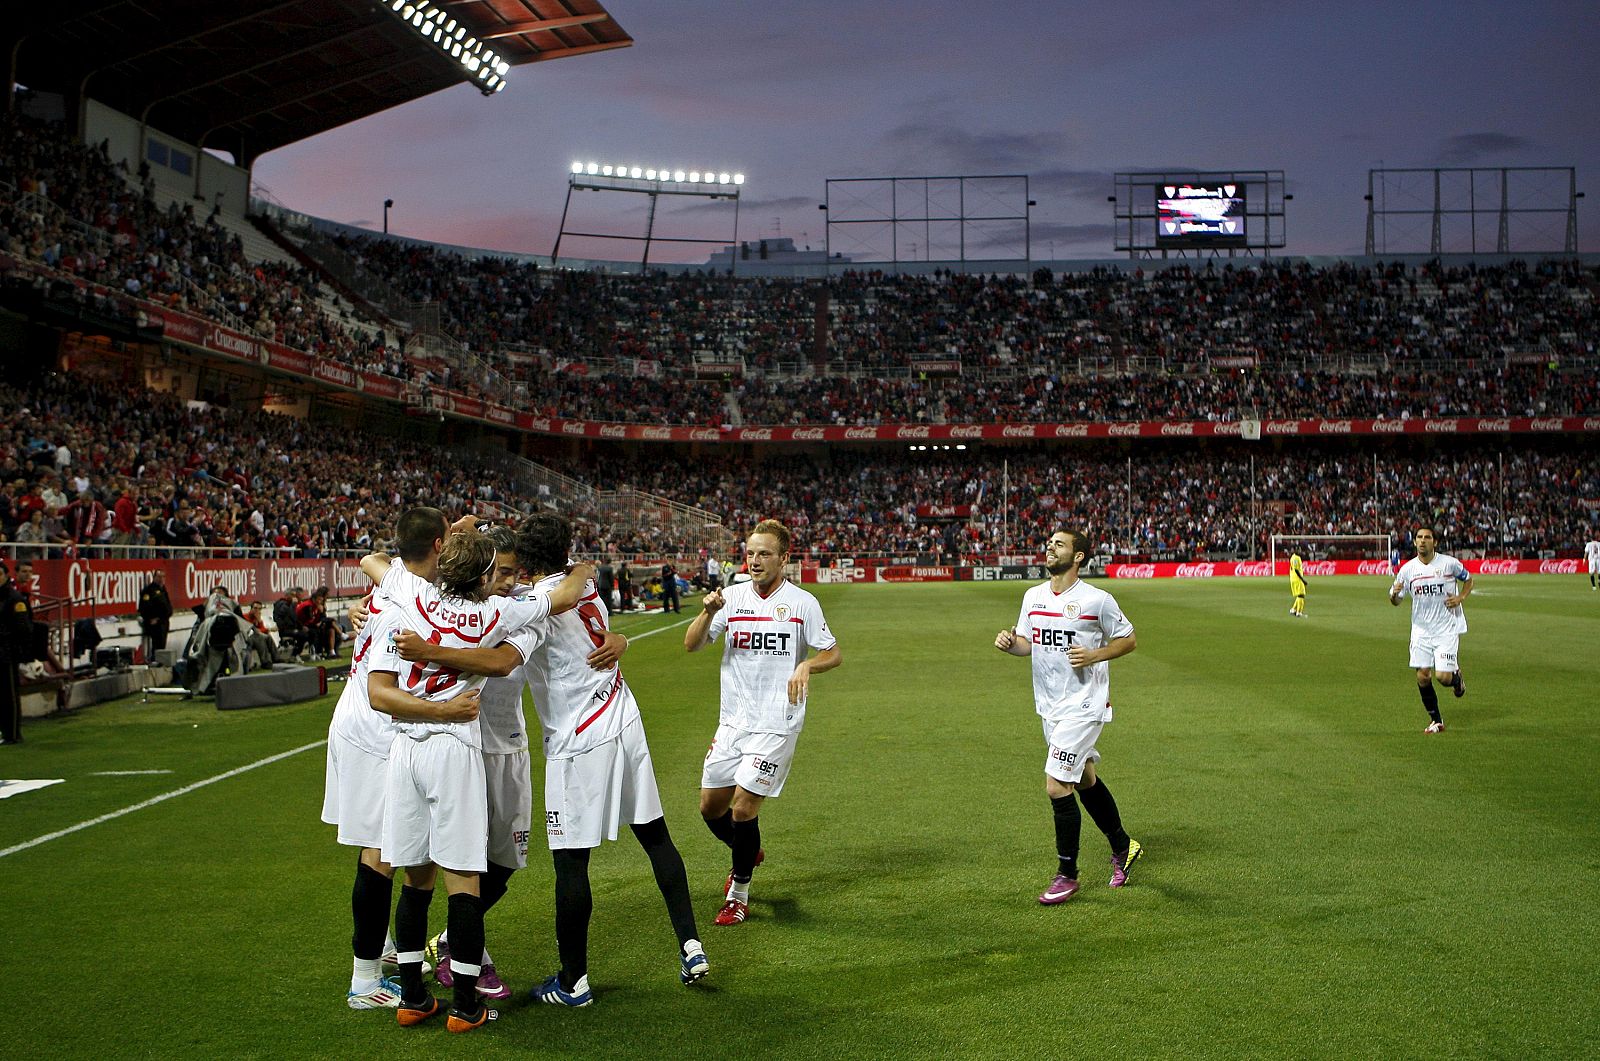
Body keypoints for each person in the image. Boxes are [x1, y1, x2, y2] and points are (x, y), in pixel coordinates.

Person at [403, 515, 708, 1005]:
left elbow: (503, 659)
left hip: (576, 740)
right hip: (624, 717)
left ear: (523, 560)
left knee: (570, 864)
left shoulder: (530, 607)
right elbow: (578, 584)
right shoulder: (585, 584)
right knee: (656, 837)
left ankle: (573, 982)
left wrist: (427, 649)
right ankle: (691, 946)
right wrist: (619, 633)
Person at [369, 527, 592, 1033]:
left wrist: (425, 645)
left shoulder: (413, 594)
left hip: (407, 744)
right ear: (487, 573)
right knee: (464, 878)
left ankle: (412, 998)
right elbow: (552, 606)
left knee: (414, 878)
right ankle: (467, 1006)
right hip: (456, 746)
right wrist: (582, 570)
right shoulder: (498, 614)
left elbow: (382, 564)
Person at [684, 519, 840, 927]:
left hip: (777, 722)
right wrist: (706, 613)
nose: (755, 560)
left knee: (743, 807)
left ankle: (738, 892)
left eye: (764, 553)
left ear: (784, 558)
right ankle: (746, 851)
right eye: (750, 553)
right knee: (709, 807)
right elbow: (692, 644)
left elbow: (833, 652)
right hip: (733, 722)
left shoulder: (802, 603)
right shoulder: (730, 599)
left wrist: (807, 664)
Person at [993, 528, 1142, 906]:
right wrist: (1012, 645)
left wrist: (1095, 655)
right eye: (1049, 542)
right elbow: (1029, 644)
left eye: (1059, 544)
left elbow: (1128, 639)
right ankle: (1124, 846)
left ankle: (1067, 874)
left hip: (1085, 705)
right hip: (1050, 706)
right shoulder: (1033, 596)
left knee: (1057, 784)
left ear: (1078, 557)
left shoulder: (1097, 600)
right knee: (1086, 779)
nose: (1050, 547)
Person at [1388, 527, 1471, 734]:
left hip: (1445, 629)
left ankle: (1456, 678)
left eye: (1427, 537)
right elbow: (1396, 600)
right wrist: (1394, 595)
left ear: (1435, 542)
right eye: (1419, 537)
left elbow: (1468, 579)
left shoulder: (1449, 563)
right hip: (1420, 631)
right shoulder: (1407, 570)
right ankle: (1436, 720)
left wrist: (1460, 597)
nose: (1423, 541)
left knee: (1443, 677)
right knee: (1423, 676)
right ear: (1414, 542)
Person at [0, 559, 33, 744]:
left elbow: (23, 628)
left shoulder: (14, 599)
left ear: (6, 576)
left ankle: (12, 734)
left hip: (7, 652)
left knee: (9, 695)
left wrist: (17, 650)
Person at [138, 569, 173, 661]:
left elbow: (167, 606)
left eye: (163, 577)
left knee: (162, 646)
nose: (161, 579)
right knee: (157, 646)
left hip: (164, 622)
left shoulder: (163, 589)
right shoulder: (149, 590)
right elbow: (144, 608)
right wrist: (152, 618)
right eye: (159, 577)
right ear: (154, 578)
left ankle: (160, 662)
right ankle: (154, 662)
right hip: (155, 624)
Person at [296, 586, 340, 659]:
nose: (320, 602)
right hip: (302, 626)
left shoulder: (315, 605)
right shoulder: (308, 606)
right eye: (319, 600)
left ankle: (330, 651)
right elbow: (309, 619)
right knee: (318, 631)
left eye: (321, 600)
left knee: (330, 628)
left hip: (309, 625)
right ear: (315, 599)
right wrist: (320, 616)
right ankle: (318, 652)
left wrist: (320, 618)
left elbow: (317, 619)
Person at [1289, 551, 1307, 617]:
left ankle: (1293, 609)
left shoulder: (1293, 557)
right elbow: (1296, 570)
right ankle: (1298, 612)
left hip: (1293, 578)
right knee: (1301, 595)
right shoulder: (1296, 558)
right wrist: (1302, 580)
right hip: (1297, 579)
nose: (1301, 552)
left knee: (1299, 595)